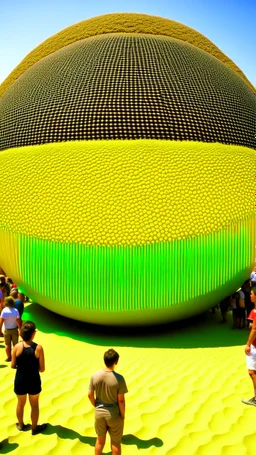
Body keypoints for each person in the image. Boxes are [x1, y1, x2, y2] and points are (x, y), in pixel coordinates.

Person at [88, 349, 128, 455]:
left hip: (99, 414)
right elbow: (121, 400)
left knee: (100, 441)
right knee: (115, 443)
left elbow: (89, 394)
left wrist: (96, 405)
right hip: (114, 415)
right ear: (116, 362)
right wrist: (122, 415)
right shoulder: (119, 379)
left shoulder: (95, 375)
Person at [11, 320, 47, 435]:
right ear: (33, 333)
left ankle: (21, 425)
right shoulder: (38, 348)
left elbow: (12, 365)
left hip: (20, 379)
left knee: (20, 403)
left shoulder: (17, 347)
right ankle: (34, 428)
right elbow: (42, 369)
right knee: (34, 405)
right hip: (33, 380)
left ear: (21, 333)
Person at [242, 288, 256, 406]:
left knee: (252, 372)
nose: (250, 295)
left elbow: (254, 329)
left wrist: (248, 344)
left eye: (252, 294)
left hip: (255, 346)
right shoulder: (253, 311)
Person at [0, 296, 22, 361]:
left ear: (6, 303)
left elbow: (1, 322)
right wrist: (20, 329)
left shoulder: (4, 311)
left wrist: (0, 330)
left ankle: (9, 357)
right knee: (15, 345)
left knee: (7, 345)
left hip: (7, 330)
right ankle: (15, 357)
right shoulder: (16, 310)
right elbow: (18, 321)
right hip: (14, 330)